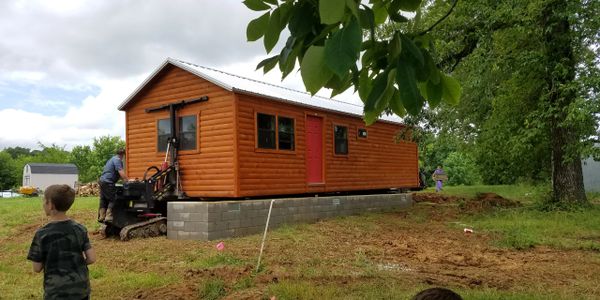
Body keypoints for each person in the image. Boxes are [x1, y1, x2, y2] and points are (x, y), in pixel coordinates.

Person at [27, 184, 96, 300]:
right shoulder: (80, 229)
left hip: (56, 292)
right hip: (81, 289)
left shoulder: (41, 234)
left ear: (51, 205)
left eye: (44, 201)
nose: (43, 204)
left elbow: (37, 268)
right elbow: (92, 258)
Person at [98, 148, 128, 222]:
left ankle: (102, 216)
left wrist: (121, 179)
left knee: (104, 199)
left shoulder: (112, 159)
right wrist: (127, 180)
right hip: (108, 182)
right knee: (113, 198)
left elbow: (112, 172)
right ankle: (109, 216)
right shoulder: (118, 160)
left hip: (102, 181)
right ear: (123, 155)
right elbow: (121, 172)